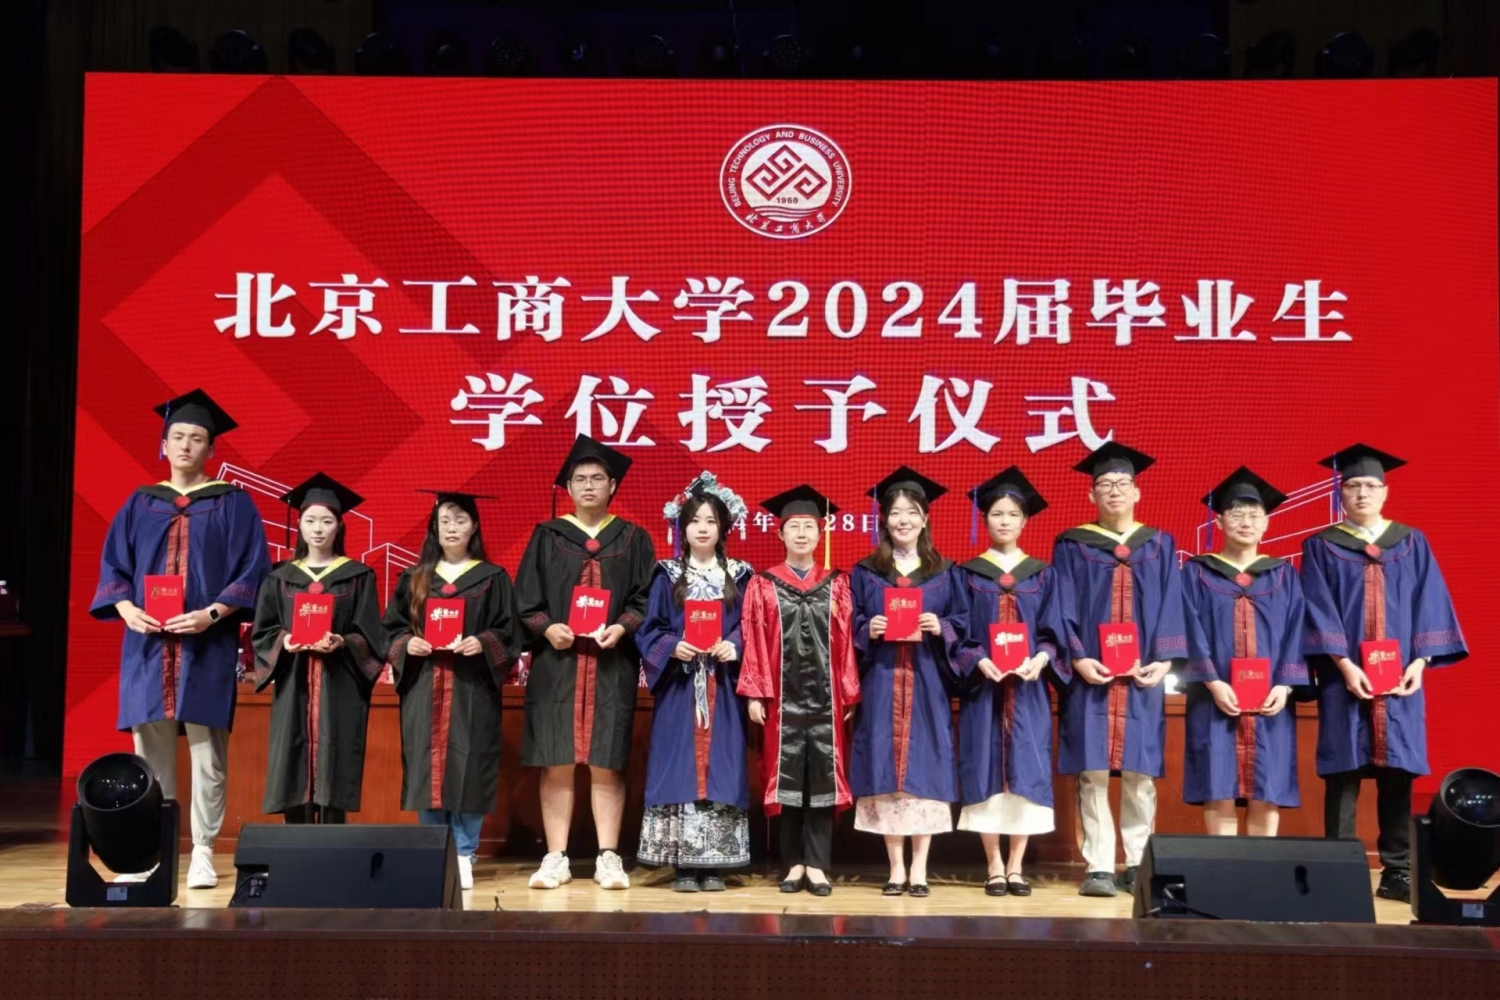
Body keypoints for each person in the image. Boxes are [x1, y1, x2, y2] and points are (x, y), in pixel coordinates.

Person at [89, 389, 270, 888]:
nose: (186, 445)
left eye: (196, 438)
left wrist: (212, 614)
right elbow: (114, 567)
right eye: (178, 437)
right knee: (151, 750)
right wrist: (127, 609)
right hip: (148, 644)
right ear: (163, 444)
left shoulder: (232, 503)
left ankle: (204, 851)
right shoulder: (140, 503)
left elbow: (253, 570)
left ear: (211, 448)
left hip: (206, 643)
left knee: (209, 751)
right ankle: (159, 849)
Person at [1301, 444, 1467, 902]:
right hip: (1344, 677)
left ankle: (1397, 871)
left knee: (1398, 770)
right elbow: (1317, 607)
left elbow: (1429, 602)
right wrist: (1344, 664)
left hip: (1402, 678)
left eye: (1370, 486)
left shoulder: (1411, 542)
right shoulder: (1321, 545)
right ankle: (1339, 870)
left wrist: (1420, 662)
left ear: (1385, 491)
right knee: (1344, 769)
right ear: (1340, 493)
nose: (1362, 493)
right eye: (1352, 486)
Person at [515, 435, 656, 891]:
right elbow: (526, 600)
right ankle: (555, 857)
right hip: (557, 665)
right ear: (569, 487)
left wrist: (623, 627)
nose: (589, 485)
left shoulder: (633, 538)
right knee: (556, 760)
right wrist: (546, 628)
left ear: (612, 485)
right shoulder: (548, 536)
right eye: (580, 479)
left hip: (611, 664)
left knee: (606, 762)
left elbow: (644, 600)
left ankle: (608, 857)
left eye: (598, 478)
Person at [1052, 441, 1188, 898]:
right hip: (1091, 674)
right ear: (1091, 494)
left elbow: (1172, 603)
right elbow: (1062, 604)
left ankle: (1137, 863)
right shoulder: (1073, 545)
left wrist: (1164, 660)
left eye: (1123, 483)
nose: (1114, 490)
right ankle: (1098, 866)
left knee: (1139, 773)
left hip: (1142, 675)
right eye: (1105, 484)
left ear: (1137, 492)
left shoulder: (1160, 544)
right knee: (1091, 771)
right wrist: (1077, 657)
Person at [383, 490, 520, 891]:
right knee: (425, 766)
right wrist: (407, 643)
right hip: (424, 686)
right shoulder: (414, 578)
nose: (452, 527)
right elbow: (390, 629)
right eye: (445, 520)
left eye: (460, 520)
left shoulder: (492, 578)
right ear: (434, 527)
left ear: (474, 526)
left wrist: (483, 642)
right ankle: (433, 849)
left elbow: (509, 631)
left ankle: (463, 852)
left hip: (471, 687)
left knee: (470, 765)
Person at [952, 467, 1069, 897]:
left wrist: (1041, 658)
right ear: (985, 519)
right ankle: (994, 865)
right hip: (985, 691)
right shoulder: (967, 574)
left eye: (1012, 514)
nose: (1004, 521)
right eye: (997, 513)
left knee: (1026, 772)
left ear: (1024, 521)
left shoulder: (1042, 574)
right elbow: (957, 629)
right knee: (985, 772)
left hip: (1028, 691)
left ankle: (1016, 866)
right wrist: (978, 660)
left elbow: (1055, 630)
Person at [634, 473, 755, 891]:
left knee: (722, 763)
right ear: (682, 528)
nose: (702, 528)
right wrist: (673, 646)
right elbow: (650, 627)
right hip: (680, 687)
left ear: (723, 528)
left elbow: (751, 625)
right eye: (694, 521)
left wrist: (733, 645)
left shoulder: (740, 576)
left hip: (723, 686)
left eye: (710, 521)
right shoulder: (667, 574)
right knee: (679, 763)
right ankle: (683, 863)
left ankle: (716, 862)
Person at [849, 467, 965, 898]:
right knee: (885, 767)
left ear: (925, 519)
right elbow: (849, 624)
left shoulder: (944, 572)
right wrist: (868, 628)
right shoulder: (866, 572)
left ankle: (920, 869)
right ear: (884, 519)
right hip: (881, 681)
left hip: (927, 682)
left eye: (912, 512)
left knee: (925, 768)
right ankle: (896, 869)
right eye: (896, 512)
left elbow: (963, 623)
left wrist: (941, 626)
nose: (903, 520)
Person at [739, 485, 861, 896]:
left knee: (824, 774)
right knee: (786, 775)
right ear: (780, 533)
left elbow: (846, 642)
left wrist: (848, 692)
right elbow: (754, 639)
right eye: (794, 527)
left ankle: (819, 866)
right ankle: (793, 863)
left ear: (820, 533)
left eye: (809, 526)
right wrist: (755, 692)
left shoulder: (838, 584)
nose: (802, 534)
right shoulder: (763, 584)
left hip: (827, 700)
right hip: (781, 699)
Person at [251, 473, 387, 825]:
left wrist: (343, 642)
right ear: (299, 524)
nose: (318, 529)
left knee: (334, 761)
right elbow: (263, 631)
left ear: (339, 526)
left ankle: (333, 843)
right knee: (292, 760)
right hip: (293, 683)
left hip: (339, 684)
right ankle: (295, 842)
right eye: (310, 520)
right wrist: (285, 641)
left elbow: (372, 636)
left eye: (326, 521)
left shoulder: (358, 576)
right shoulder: (280, 577)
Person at [1180, 468, 1308, 837]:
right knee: (1217, 786)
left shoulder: (1283, 575)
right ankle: (1224, 865)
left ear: (1266, 523)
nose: (1246, 522)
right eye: (1236, 514)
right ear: (1219, 521)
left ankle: (1259, 866)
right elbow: (1188, 628)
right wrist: (1212, 682)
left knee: (1267, 788)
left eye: (1254, 515)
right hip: (1213, 696)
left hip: (1270, 697)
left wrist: (1284, 685)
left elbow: (1297, 631)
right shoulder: (1196, 573)